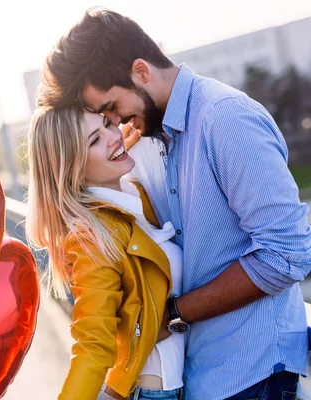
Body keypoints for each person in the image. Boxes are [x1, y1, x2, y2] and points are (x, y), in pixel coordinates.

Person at [37, 7, 311, 400]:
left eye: (112, 107)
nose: (116, 123)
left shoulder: (224, 119)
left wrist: (175, 312)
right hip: (199, 378)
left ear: (141, 71)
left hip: (252, 375)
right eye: (104, 119)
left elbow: (287, 254)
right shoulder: (147, 139)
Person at [26, 106, 185, 400]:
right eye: (93, 141)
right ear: (72, 167)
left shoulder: (135, 195)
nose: (113, 137)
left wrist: (114, 142)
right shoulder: (91, 237)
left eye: (107, 125)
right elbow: (92, 345)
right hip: (154, 391)